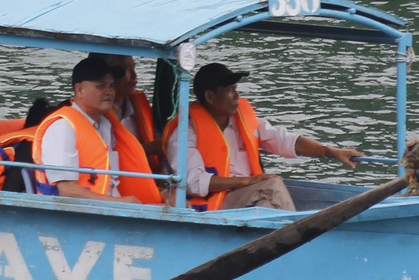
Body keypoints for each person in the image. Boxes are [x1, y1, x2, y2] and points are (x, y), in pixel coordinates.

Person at [163, 63, 359, 210]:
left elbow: (284, 140)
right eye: (231, 90)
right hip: (213, 204)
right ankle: (296, 239)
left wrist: (328, 151)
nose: (237, 97)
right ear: (210, 97)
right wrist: (246, 182)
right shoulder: (184, 134)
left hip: (246, 198)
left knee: (267, 202)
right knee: (271, 186)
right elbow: (193, 181)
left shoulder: (242, 122)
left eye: (236, 90)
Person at [32, 55, 163, 203]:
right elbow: (66, 190)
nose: (109, 91)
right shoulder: (62, 127)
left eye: (112, 86)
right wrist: (122, 203)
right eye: (101, 86)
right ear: (80, 90)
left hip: (108, 211)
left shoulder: (105, 126)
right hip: (74, 216)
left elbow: (111, 181)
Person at [103, 54, 161, 169]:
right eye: (126, 70)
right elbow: (101, 158)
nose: (134, 75)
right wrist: (148, 148)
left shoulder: (139, 106)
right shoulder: (95, 114)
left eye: (133, 68)